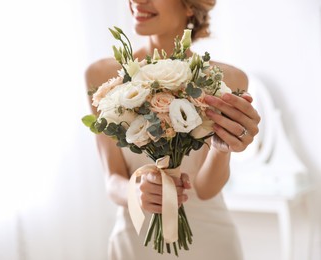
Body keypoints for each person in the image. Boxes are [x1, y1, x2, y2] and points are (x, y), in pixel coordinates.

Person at [84, 0, 261, 259]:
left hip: (208, 241)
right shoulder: (102, 75)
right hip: (136, 239)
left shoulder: (228, 79)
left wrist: (221, 150)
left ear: (190, 5)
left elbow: (205, 189)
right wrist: (136, 191)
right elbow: (112, 180)